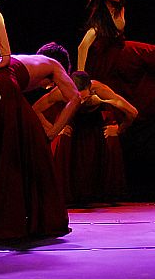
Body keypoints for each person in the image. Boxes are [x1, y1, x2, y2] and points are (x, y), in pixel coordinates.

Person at [0, 52, 80, 240]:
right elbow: (75, 97)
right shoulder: (54, 64)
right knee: (26, 153)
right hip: (2, 85)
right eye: (50, 85)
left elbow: (33, 107)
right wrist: (53, 133)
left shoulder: (26, 61)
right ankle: (13, 221)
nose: (47, 87)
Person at [37, 70, 138, 205]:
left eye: (84, 97)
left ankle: (108, 192)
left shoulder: (101, 91)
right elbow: (35, 109)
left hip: (96, 121)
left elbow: (132, 112)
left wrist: (119, 129)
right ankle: (62, 193)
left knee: (110, 138)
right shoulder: (61, 92)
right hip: (72, 119)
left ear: (90, 88)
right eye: (78, 97)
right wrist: (54, 129)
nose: (82, 101)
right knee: (61, 139)